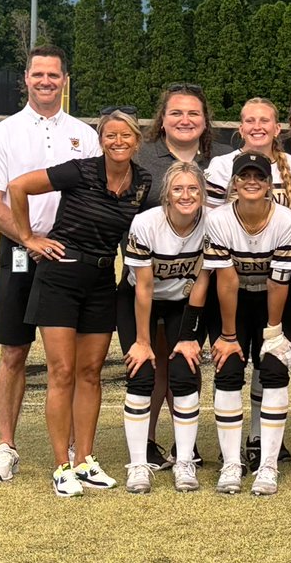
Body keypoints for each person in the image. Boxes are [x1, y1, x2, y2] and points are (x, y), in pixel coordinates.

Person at [8, 109, 152, 496]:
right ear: (100, 139)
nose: (118, 142)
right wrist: (28, 237)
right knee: (62, 372)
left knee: (90, 372)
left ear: (137, 141)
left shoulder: (143, 182)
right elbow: (19, 186)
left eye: (126, 136)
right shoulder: (80, 170)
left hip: (103, 279)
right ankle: (61, 466)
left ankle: (84, 460)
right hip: (61, 277)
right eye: (110, 135)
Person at [0, 46, 100, 484]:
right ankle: (6, 446)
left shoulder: (84, 134)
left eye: (54, 74)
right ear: (25, 78)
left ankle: (67, 447)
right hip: (18, 250)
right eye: (38, 74)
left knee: (63, 360)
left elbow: (95, 194)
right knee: (13, 351)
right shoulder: (3, 133)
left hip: (69, 254)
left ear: (65, 79)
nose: (46, 81)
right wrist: (28, 238)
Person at [133, 83, 231, 470]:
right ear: (162, 119)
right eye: (176, 112)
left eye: (193, 113)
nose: (185, 120)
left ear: (206, 120)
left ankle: (183, 445)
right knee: (156, 360)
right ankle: (151, 441)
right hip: (153, 279)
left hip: (201, 282)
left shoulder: (223, 159)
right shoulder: (143, 158)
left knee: (186, 359)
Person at [201, 152, 291, 495]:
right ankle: (231, 462)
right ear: (234, 182)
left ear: (270, 182)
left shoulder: (286, 220)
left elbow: (279, 281)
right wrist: (228, 336)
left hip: (273, 299)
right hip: (232, 299)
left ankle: (268, 464)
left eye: (259, 175)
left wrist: (273, 333)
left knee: (273, 368)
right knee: (228, 367)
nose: (252, 181)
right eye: (245, 176)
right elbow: (226, 281)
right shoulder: (218, 220)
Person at [118, 162, 210, 493]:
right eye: (178, 189)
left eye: (193, 189)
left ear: (202, 192)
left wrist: (187, 336)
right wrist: (142, 341)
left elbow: (203, 280)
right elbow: (143, 287)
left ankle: (184, 460)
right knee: (141, 373)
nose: (186, 195)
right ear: (166, 195)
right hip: (141, 297)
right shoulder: (145, 223)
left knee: (184, 373)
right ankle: (138, 464)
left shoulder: (212, 224)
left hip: (183, 302)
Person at [205, 98, 291, 209]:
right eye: (250, 121)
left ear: (277, 129)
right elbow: (211, 216)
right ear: (241, 130)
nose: (257, 127)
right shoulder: (222, 164)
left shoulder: (290, 162)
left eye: (264, 120)